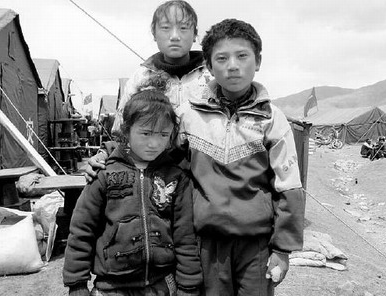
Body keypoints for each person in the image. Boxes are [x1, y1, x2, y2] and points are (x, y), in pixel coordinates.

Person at [174, 18, 306, 295]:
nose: (232, 65)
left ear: (257, 61)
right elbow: (163, 159)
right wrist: (110, 158)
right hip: (206, 243)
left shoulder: (272, 119)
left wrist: (282, 249)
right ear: (209, 66)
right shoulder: (189, 115)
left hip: (256, 245)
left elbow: (289, 184)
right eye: (221, 58)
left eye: (242, 56)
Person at [63, 90, 202, 296]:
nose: (154, 143)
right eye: (145, 133)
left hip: (161, 285)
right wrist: (77, 285)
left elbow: (185, 236)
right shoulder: (104, 174)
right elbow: (81, 230)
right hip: (111, 287)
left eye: (163, 135)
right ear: (127, 131)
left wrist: (188, 286)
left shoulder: (176, 177)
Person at [85, 0, 211, 181]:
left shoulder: (211, 75)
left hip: (204, 175)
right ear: (154, 33)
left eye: (183, 28)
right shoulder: (141, 78)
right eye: (166, 28)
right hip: (155, 177)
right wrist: (103, 154)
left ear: (195, 34)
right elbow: (122, 133)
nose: (175, 36)